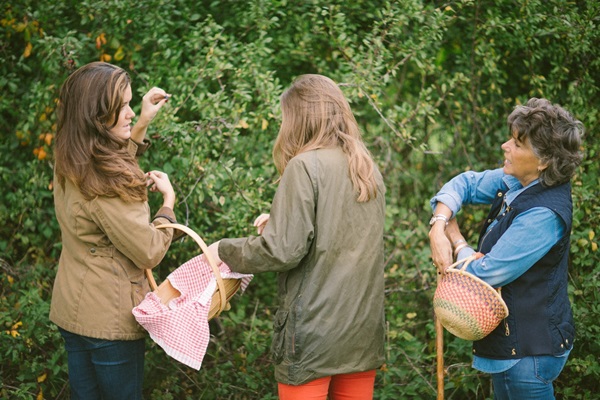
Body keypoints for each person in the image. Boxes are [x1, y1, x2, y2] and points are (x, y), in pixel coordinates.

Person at [207, 74, 386, 399]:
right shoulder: (365, 168)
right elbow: (337, 236)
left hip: (314, 337)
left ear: (300, 118)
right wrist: (278, 222)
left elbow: (282, 251)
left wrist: (223, 249)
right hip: (362, 333)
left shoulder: (304, 166)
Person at [429, 98, 583, 399]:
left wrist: (457, 241)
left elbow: (488, 272)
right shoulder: (517, 182)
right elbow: (465, 184)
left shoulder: (544, 214)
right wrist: (439, 225)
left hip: (527, 355)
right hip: (514, 351)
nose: (505, 146)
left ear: (543, 161)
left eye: (516, 143)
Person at [50, 61, 177, 400]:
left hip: (73, 311)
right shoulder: (105, 183)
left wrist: (145, 120)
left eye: (130, 104)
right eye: (121, 107)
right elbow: (149, 249)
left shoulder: (71, 156)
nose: (131, 113)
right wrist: (168, 208)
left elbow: (109, 162)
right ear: (96, 115)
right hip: (109, 321)